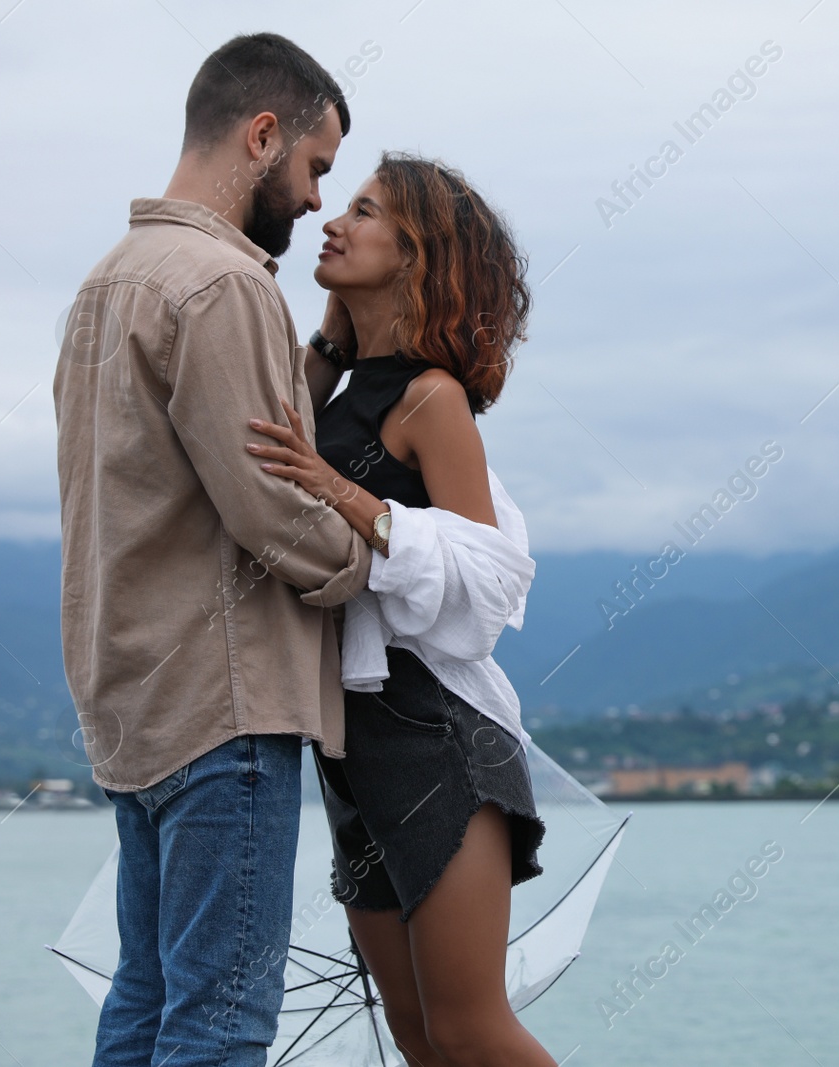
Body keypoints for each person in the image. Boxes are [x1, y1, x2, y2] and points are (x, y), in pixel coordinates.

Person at [53, 33, 372, 1067]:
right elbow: (272, 507)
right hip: (223, 705)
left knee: (145, 1007)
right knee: (223, 1026)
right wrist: (379, 554)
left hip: (133, 701)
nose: (320, 200)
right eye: (316, 167)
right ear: (263, 134)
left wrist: (315, 355)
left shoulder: (106, 284)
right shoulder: (224, 286)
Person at [243, 152, 554, 1066]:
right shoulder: (337, 386)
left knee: (468, 1026)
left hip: (438, 736)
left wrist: (345, 493)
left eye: (365, 210)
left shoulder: (433, 398)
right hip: (352, 753)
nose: (334, 222)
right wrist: (333, 342)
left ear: (416, 253)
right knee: (416, 1035)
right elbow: (266, 438)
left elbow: (489, 579)